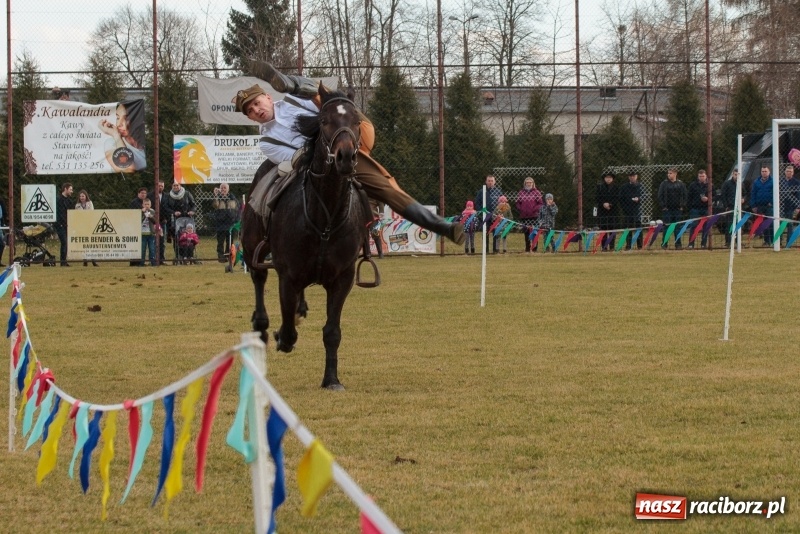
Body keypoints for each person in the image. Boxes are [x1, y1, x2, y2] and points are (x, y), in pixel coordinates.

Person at [234, 77, 464, 245]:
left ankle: (442, 226)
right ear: (249, 117)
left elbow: (327, 104)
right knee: (286, 200)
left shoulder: (295, 100)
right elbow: (295, 159)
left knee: (387, 190)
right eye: (250, 110)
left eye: (256, 102)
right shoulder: (266, 141)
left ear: (267, 97)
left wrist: (299, 88)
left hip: (341, 145)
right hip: (314, 168)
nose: (256, 109)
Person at [98, 101, 146, 172]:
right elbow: (128, 168)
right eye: (117, 118)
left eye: (126, 118)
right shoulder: (112, 143)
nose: (119, 124)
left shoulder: (146, 144)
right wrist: (116, 135)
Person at [657, 168, 687, 249]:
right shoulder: (664, 184)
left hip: (677, 209)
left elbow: (685, 196)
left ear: (675, 174)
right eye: (668, 173)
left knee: (677, 227)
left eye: (670, 173)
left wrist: (682, 206)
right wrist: (663, 206)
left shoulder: (681, 184)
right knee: (666, 227)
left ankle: (678, 244)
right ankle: (664, 244)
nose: (669, 175)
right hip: (667, 210)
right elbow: (660, 196)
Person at [474, 175, 504, 254]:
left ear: (495, 182)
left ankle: (495, 250)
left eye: (492, 181)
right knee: (485, 233)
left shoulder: (498, 192)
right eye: (489, 181)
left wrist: (500, 213)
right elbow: (477, 203)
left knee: (496, 232)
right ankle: (485, 250)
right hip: (485, 216)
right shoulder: (481, 192)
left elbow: (502, 204)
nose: (490, 182)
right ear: (486, 181)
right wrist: (481, 212)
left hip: (495, 217)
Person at [211, 182, 240, 262]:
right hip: (220, 223)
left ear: (228, 189)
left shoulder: (233, 199)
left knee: (230, 241)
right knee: (220, 241)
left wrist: (236, 220)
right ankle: (221, 256)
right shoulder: (218, 198)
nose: (223, 189)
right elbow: (215, 205)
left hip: (231, 223)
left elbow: (237, 210)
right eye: (222, 188)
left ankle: (228, 255)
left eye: (225, 188)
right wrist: (216, 195)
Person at [515, 177, 543, 252]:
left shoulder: (537, 192)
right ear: (525, 183)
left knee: (534, 232)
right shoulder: (521, 192)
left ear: (533, 183)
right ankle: (527, 248)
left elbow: (540, 203)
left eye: (530, 182)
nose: (529, 184)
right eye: (527, 182)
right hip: (524, 216)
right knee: (526, 232)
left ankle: (534, 248)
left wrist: (534, 209)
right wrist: (521, 208)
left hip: (534, 216)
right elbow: (517, 203)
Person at [619, 170, 644, 250]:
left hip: (637, 210)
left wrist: (639, 199)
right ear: (628, 177)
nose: (632, 177)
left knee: (638, 228)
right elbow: (621, 199)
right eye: (630, 176)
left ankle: (640, 246)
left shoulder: (641, 186)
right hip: (627, 210)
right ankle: (628, 245)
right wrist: (624, 208)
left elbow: (644, 196)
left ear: (636, 176)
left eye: (634, 176)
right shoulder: (624, 187)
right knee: (628, 228)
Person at [686, 169, 711, 249]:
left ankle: (703, 244)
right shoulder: (693, 185)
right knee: (694, 226)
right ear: (698, 176)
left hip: (706, 208)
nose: (702, 178)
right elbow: (689, 197)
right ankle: (691, 244)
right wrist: (690, 207)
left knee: (706, 226)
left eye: (703, 176)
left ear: (706, 176)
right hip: (695, 209)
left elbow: (715, 196)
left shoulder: (710, 185)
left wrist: (708, 199)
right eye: (700, 176)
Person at [750, 165, 774, 246]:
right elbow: (753, 194)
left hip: (769, 206)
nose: (764, 173)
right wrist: (753, 205)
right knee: (763, 224)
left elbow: (776, 193)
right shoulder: (756, 182)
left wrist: (772, 202)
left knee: (770, 223)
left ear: (769, 172)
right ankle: (766, 241)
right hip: (760, 206)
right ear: (761, 172)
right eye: (762, 171)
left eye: (765, 171)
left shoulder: (773, 181)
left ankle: (772, 240)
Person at [148, 180, 170, 265]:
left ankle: (161, 259)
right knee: (152, 241)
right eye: (159, 186)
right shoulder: (150, 195)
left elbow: (167, 208)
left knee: (161, 241)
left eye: (162, 186)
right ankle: (153, 260)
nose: (160, 187)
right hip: (152, 222)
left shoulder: (166, 196)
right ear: (156, 186)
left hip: (162, 221)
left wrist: (166, 218)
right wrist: (152, 219)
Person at [721, 169, 745, 248]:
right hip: (730, 207)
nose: (736, 176)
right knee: (730, 225)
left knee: (739, 225)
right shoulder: (727, 184)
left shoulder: (741, 184)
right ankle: (728, 242)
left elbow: (745, 194)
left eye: (738, 175)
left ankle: (738, 241)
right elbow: (723, 195)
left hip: (739, 208)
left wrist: (743, 199)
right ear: (732, 174)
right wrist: (726, 206)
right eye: (735, 174)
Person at [75, 190, 99, 266]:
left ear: (86, 196)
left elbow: (91, 214)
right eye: (80, 196)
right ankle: (85, 260)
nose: (81, 197)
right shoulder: (77, 205)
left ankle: (93, 260)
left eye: (83, 196)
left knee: (91, 243)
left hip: (90, 225)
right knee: (83, 244)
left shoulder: (90, 203)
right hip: (82, 226)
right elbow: (77, 216)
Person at [596, 172, 619, 251]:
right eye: (607, 177)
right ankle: (604, 247)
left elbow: (617, 198)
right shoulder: (600, 187)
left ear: (612, 179)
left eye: (610, 177)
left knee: (612, 229)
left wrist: (610, 204)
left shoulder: (616, 188)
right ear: (604, 178)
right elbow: (597, 197)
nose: (608, 179)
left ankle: (612, 247)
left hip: (613, 211)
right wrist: (603, 204)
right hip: (602, 211)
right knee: (603, 229)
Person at [779, 165, 800, 245]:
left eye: (790, 172)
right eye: (787, 171)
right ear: (785, 172)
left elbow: (798, 195)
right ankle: (779, 241)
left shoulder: (796, 182)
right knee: (780, 223)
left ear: (793, 173)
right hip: (781, 206)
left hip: (791, 206)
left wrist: (798, 206)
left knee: (790, 225)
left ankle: (789, 242)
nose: (789, 173)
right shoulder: (780, 181)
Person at [55, 182, 73, 266]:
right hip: (60, 225)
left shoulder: (69, 201)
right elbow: (58, 214)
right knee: (64, 242)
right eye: (70, 189)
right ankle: (62, 262)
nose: (72, 191)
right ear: (65, 189)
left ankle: (64, 260)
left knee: (66, 243)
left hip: (67, 225)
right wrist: (60, 223)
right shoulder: (58, 199)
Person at [140, 198, 157, 266]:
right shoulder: (140, 211)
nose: (147, 206)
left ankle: (152, 262)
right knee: (143, 248)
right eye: (145, 204)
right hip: (142, 234)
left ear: (150, 205)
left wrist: (150, 216)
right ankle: (142, 262)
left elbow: (155, 221)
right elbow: (139, 220)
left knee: (152, 248)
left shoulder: (152, 211)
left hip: (151, 233)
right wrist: (143, 213)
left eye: (148, 204)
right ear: (142, 205)